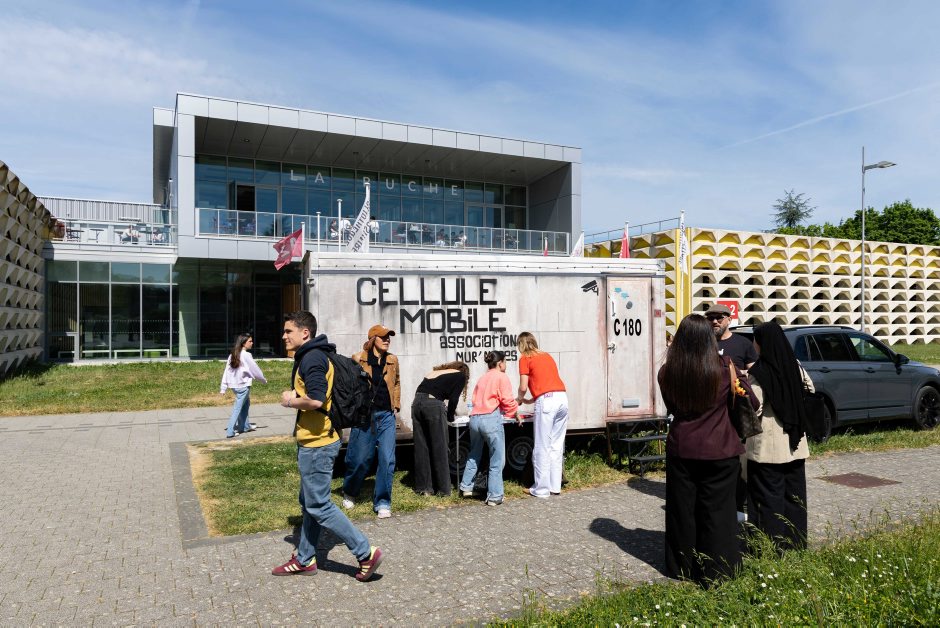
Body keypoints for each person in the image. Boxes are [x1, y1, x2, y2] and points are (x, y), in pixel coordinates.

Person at [271, 311, 384, 581]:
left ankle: (365, 552)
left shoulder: (312, 358)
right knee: (309, 502)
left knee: (319, 505)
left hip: (318, 443)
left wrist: (289, 400)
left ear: (305, 333)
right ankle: (305, 558)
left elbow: (316, 399)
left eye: (288, 331)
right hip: (317, 439)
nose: (284, 336)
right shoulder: (316, 355)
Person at [658, 313, 758, 586]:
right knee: (718, 511)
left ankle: (682, 566)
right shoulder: (725, 368)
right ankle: (718, 568)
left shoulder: (667, 372)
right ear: (709, 340)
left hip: (682, 448)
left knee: (682, 510)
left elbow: (671, 406)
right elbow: (752, 402)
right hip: (720, 447)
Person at [746, 321, 813, 553]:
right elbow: (810, 389)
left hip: (769, 446)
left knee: (768, 498)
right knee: (795, 496)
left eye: (755, 340)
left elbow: (755, 407)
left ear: (762, 342)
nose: (753, 344)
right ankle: (796, 542)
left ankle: (770, 547)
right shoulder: (794, 365)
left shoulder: (760, 372)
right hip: (795, 441)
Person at [342, 324, 401, 519]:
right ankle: (350, 490)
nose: (387, 340)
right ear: (373, 339)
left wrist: (396, 404)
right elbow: (349, 386)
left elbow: (397, 382)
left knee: (387, 459)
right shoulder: (358, 359)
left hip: (386, 416)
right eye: (383, 337)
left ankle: (383, 502)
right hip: (364, 416)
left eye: (388, 337)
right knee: (360, 459)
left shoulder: (392, 360)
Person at [460, 351, 518, 506]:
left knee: (474, 453)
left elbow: (474, 400)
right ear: (500, 363)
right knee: (497, 458)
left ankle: (466, 486)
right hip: (490, 419)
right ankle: (495, 496)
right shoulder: (501, 377)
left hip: (475, 418)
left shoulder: (482, 378)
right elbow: (507, 400)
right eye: (505, 362)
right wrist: (514, 412)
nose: (506, 365)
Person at [516, 331, 568, 498]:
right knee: (556, 445)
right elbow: (548, 383)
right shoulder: (547, 356)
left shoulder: (525, 358)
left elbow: (523, 386)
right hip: (562, 398)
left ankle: (541, 489)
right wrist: (532, 400)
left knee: (541, 446)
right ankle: (555, 486)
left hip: (546, 402)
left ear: (521, 345)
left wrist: (519, 399)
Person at [411, 361, 470, 496]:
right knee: (440, 447)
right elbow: (454, 399)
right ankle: (443, 490)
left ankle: (424, 488)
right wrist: (450, 417)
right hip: (433, 405)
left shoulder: (435, 372)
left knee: (422, 448)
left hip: (416, 404)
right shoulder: (460, 375)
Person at [220, 332, 267, 438]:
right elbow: (255, 369)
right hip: (243, 387)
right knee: (237, 408)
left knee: (246, 404)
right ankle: (230, 432)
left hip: (234, 387)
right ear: (243, 343)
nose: (252, 343)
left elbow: (226, 371)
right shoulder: (246, 355)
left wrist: (223, 387)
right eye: (250, 341)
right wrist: (263, 379)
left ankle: (245, 426)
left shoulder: (233, 354)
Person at [706, 304, 757, 372]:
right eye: (710, 318)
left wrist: (737, 373)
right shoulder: (703, 343)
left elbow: (753, 373)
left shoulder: (744, 343)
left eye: (719, 318)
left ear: (729, 320)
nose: (714, 321)